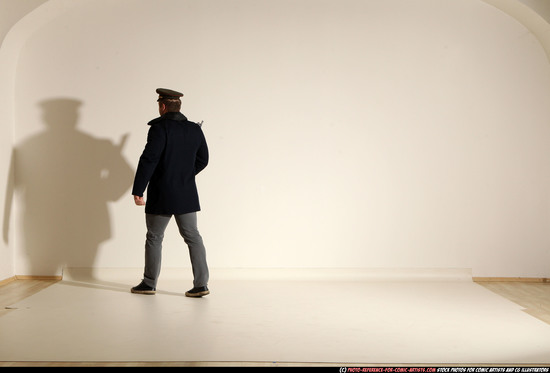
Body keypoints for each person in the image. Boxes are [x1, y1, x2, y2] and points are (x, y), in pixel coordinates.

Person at [131, 88, 210, 297]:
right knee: (193, 237)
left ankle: (149, 284)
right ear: (178, 106)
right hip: (186, 192)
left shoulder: (159, 128)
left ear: (162, 106)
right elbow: (203, 160)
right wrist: (184, 174)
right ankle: (201, 285)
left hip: (162, 193)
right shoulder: (195, 129)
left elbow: (149, 159)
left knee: (154, 237)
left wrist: (139, 189)